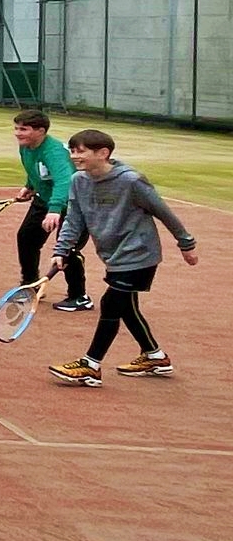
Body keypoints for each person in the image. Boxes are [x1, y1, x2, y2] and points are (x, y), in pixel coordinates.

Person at [45, 127, 197, 386]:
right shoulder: (79, 181)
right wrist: (61, 249)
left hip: (140, 254)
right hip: (112, 254)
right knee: (126, 307)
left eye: (80, 151)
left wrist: (186, 242)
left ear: (103, 153)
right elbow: (74, 219)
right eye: (72, 151)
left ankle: (90, 365)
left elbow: (163, 211)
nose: (74, 156)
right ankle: (155, 356)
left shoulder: (131, 181)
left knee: (111, 303)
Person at [12, 108, 88, 311]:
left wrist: (54, 210)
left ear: (41, 131)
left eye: (24, 129)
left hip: (74, 204)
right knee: (26, 238)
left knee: (67, 249)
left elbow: (65, 181)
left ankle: (79, 296)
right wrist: (29, 186)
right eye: (17, 128)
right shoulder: (27, 146)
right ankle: (31, 285)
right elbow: (35, 168)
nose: (18, 133)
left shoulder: (54, 152)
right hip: (45, 199)